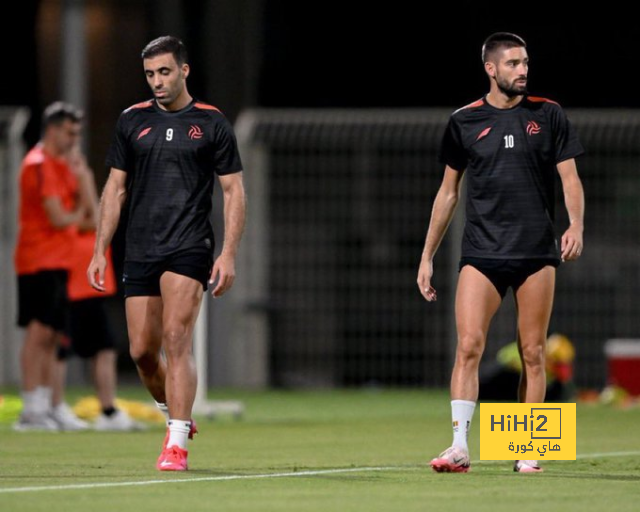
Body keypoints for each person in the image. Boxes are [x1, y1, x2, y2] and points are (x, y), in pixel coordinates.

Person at [416, 32, 585, 474]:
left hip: (536, 253)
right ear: (490, 69)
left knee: (533, 352)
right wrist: (427, 254)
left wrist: (577, 224)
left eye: (525, 62)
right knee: (469, 345)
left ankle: (527, 450)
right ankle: (458, 447)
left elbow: (569, 178)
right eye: (512, 63)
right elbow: (448, 193)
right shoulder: (464, 120)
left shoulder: (548, 115)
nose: (523, 70)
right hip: (482, 253)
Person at [88, 35, 246, 471]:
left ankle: (176, 444)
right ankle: (177, 414)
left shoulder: (212, 123)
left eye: (164, 72)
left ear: (184, 70)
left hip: (189, 246)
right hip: (140, 247)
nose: (157, 81)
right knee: (141, 350)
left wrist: (228, 253)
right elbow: (115, 188)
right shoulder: (131, 120)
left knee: (177, 339)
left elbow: (233, 192)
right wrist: (100, 248)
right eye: (150, 74)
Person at [53, 148, 143, 431]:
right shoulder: (55, 188)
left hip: (90, 284)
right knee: (60, 348)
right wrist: (86, 183)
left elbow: (96, 218)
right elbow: (91, 220)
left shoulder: (74, 186)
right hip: (69, 280)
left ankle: (107, 411)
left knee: (103, 348)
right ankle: (54, 408)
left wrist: (87, 180)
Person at [14, 102, 90, 431]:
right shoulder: (39, 163)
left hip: (58, 260)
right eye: (70, 132)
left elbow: (89, 218)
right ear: (53, 129)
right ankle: (31, 409)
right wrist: (79, 218)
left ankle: (45, 405)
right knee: (38, 333)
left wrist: (84, 178)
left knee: (51, 336)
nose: (75, 139)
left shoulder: (61, 165)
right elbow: (61, 217)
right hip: (38, 260)